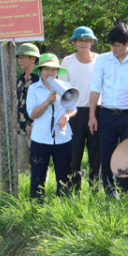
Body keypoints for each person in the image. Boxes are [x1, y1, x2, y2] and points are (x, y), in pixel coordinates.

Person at [89, 22, 128, 196]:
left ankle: (127, 193)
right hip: (106, 114)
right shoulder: (102, 60)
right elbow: (95, 88)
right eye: (111, 45)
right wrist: (92, 116)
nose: (113, 49)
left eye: (116, 45)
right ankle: (110, 192)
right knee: (106, 154)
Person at [27, 54, 77, 198]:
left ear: (57, 72)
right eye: (46, 69)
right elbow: (32, 115)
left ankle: (63, 207)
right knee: (38, 176)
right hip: (40, 138)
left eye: (54, 69)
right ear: (40, 71)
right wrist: (47, 102)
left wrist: (67, 116)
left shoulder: (66, 87)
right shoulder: (33, 89)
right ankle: (36, 206)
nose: (50, 72)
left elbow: (74, 108)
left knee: (64, 176)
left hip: (62, 138)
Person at [62, 27, 100, 191]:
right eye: (80, 40)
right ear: (74, 42)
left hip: (97, 112)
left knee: (96, 155)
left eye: (87, 40)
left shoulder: (100, 60)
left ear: (92, 42)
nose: (83, 43)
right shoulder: (67, 61)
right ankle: (73, 190)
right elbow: (63, 90)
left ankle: (94, 189)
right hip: (74, 112)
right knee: (74, 154)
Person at [15, 43, 41, 172]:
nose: (20, 61)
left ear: (33, 59)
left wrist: (35, 123)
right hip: (21, 127)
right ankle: (25, 190)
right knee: (22, 165)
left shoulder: (40, 79)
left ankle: (40, 190)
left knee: (38, 162)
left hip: (35, 127)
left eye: (23, 57)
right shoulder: (20, 79)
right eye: (18, 58)